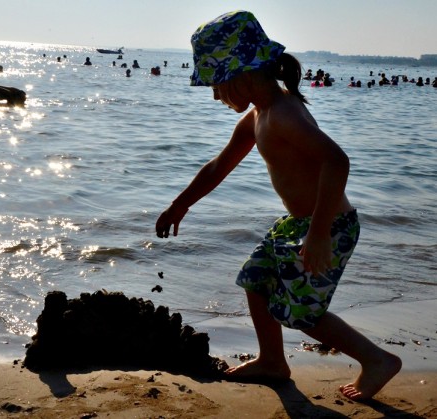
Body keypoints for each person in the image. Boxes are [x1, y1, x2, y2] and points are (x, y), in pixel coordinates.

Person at [155, 10, 401, 401]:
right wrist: (179, 205)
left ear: (244, 74)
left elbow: (336, 161)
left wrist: (319, 234)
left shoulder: (284, 114)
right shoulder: (258, 116)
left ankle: (377, 361)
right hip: (296, 224)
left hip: (328, 226)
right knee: (256, 281)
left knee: (302, 314)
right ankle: (272, 360)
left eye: (217, 85)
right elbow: (218, 166)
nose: (215, 96)